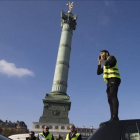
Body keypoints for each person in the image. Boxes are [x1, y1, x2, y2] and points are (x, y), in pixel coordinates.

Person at [97, 50, 121, 121]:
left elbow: (107, 63)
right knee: (109, 99)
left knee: (113, 96)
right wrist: (99, 62)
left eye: (102, 53)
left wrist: (102, 59)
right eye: (100, 53)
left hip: (114, 78)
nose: (101, 54)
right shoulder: (104, 63)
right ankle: (112, 117)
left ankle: (115, 116)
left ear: (106, 53)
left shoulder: (112, 57)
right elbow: (98, 72)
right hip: (109, 82)